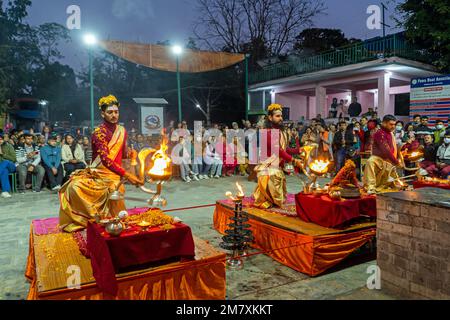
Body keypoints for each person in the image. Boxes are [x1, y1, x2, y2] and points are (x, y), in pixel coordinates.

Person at [59, 95, 143, 233]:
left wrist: (130, 154)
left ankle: (111, 219)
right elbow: (105, 160)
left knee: (115, 191)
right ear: (103, 114)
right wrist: (127, 175)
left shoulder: (122, 131)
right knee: (73, 187)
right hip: (98, 173)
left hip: (113, 175)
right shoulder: (99, 133)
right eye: (110, 112)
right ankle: (90, 219)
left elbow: (122, 153)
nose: (114, 115)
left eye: (116, 112)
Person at [253, 104, 302, 209]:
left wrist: (298, 149)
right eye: (278, 116)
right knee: (272, 197)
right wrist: (293, 160)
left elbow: (285, 149)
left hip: (277, 167)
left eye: (281, 116)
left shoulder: (281, 132)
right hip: (268, 167)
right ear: (270, 117)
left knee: (279, 196)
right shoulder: (267, 132)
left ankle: (271, 200)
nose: (281, 118)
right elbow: (278, 150)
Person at [363, 115, 404, 194]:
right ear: (384, 123)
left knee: (395, 183)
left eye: (394, 124)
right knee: (370, 161)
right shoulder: (379, 133)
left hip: (388, 161)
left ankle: (391, 184)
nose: (393, 126)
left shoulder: (390, 133)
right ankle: (370, 187)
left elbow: (393, 149)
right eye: (391, 124)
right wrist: (396, 162)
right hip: (378, 159)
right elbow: (386, 150)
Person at [0, 134, 17, 198]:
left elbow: (14, 159)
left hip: (11, 166)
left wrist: (3, 154)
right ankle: (5, 191)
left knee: (6, 162)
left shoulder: (9, 146)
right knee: (4, 171)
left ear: (3, 139)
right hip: (2, 168)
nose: (0, 141)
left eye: (1, 139)